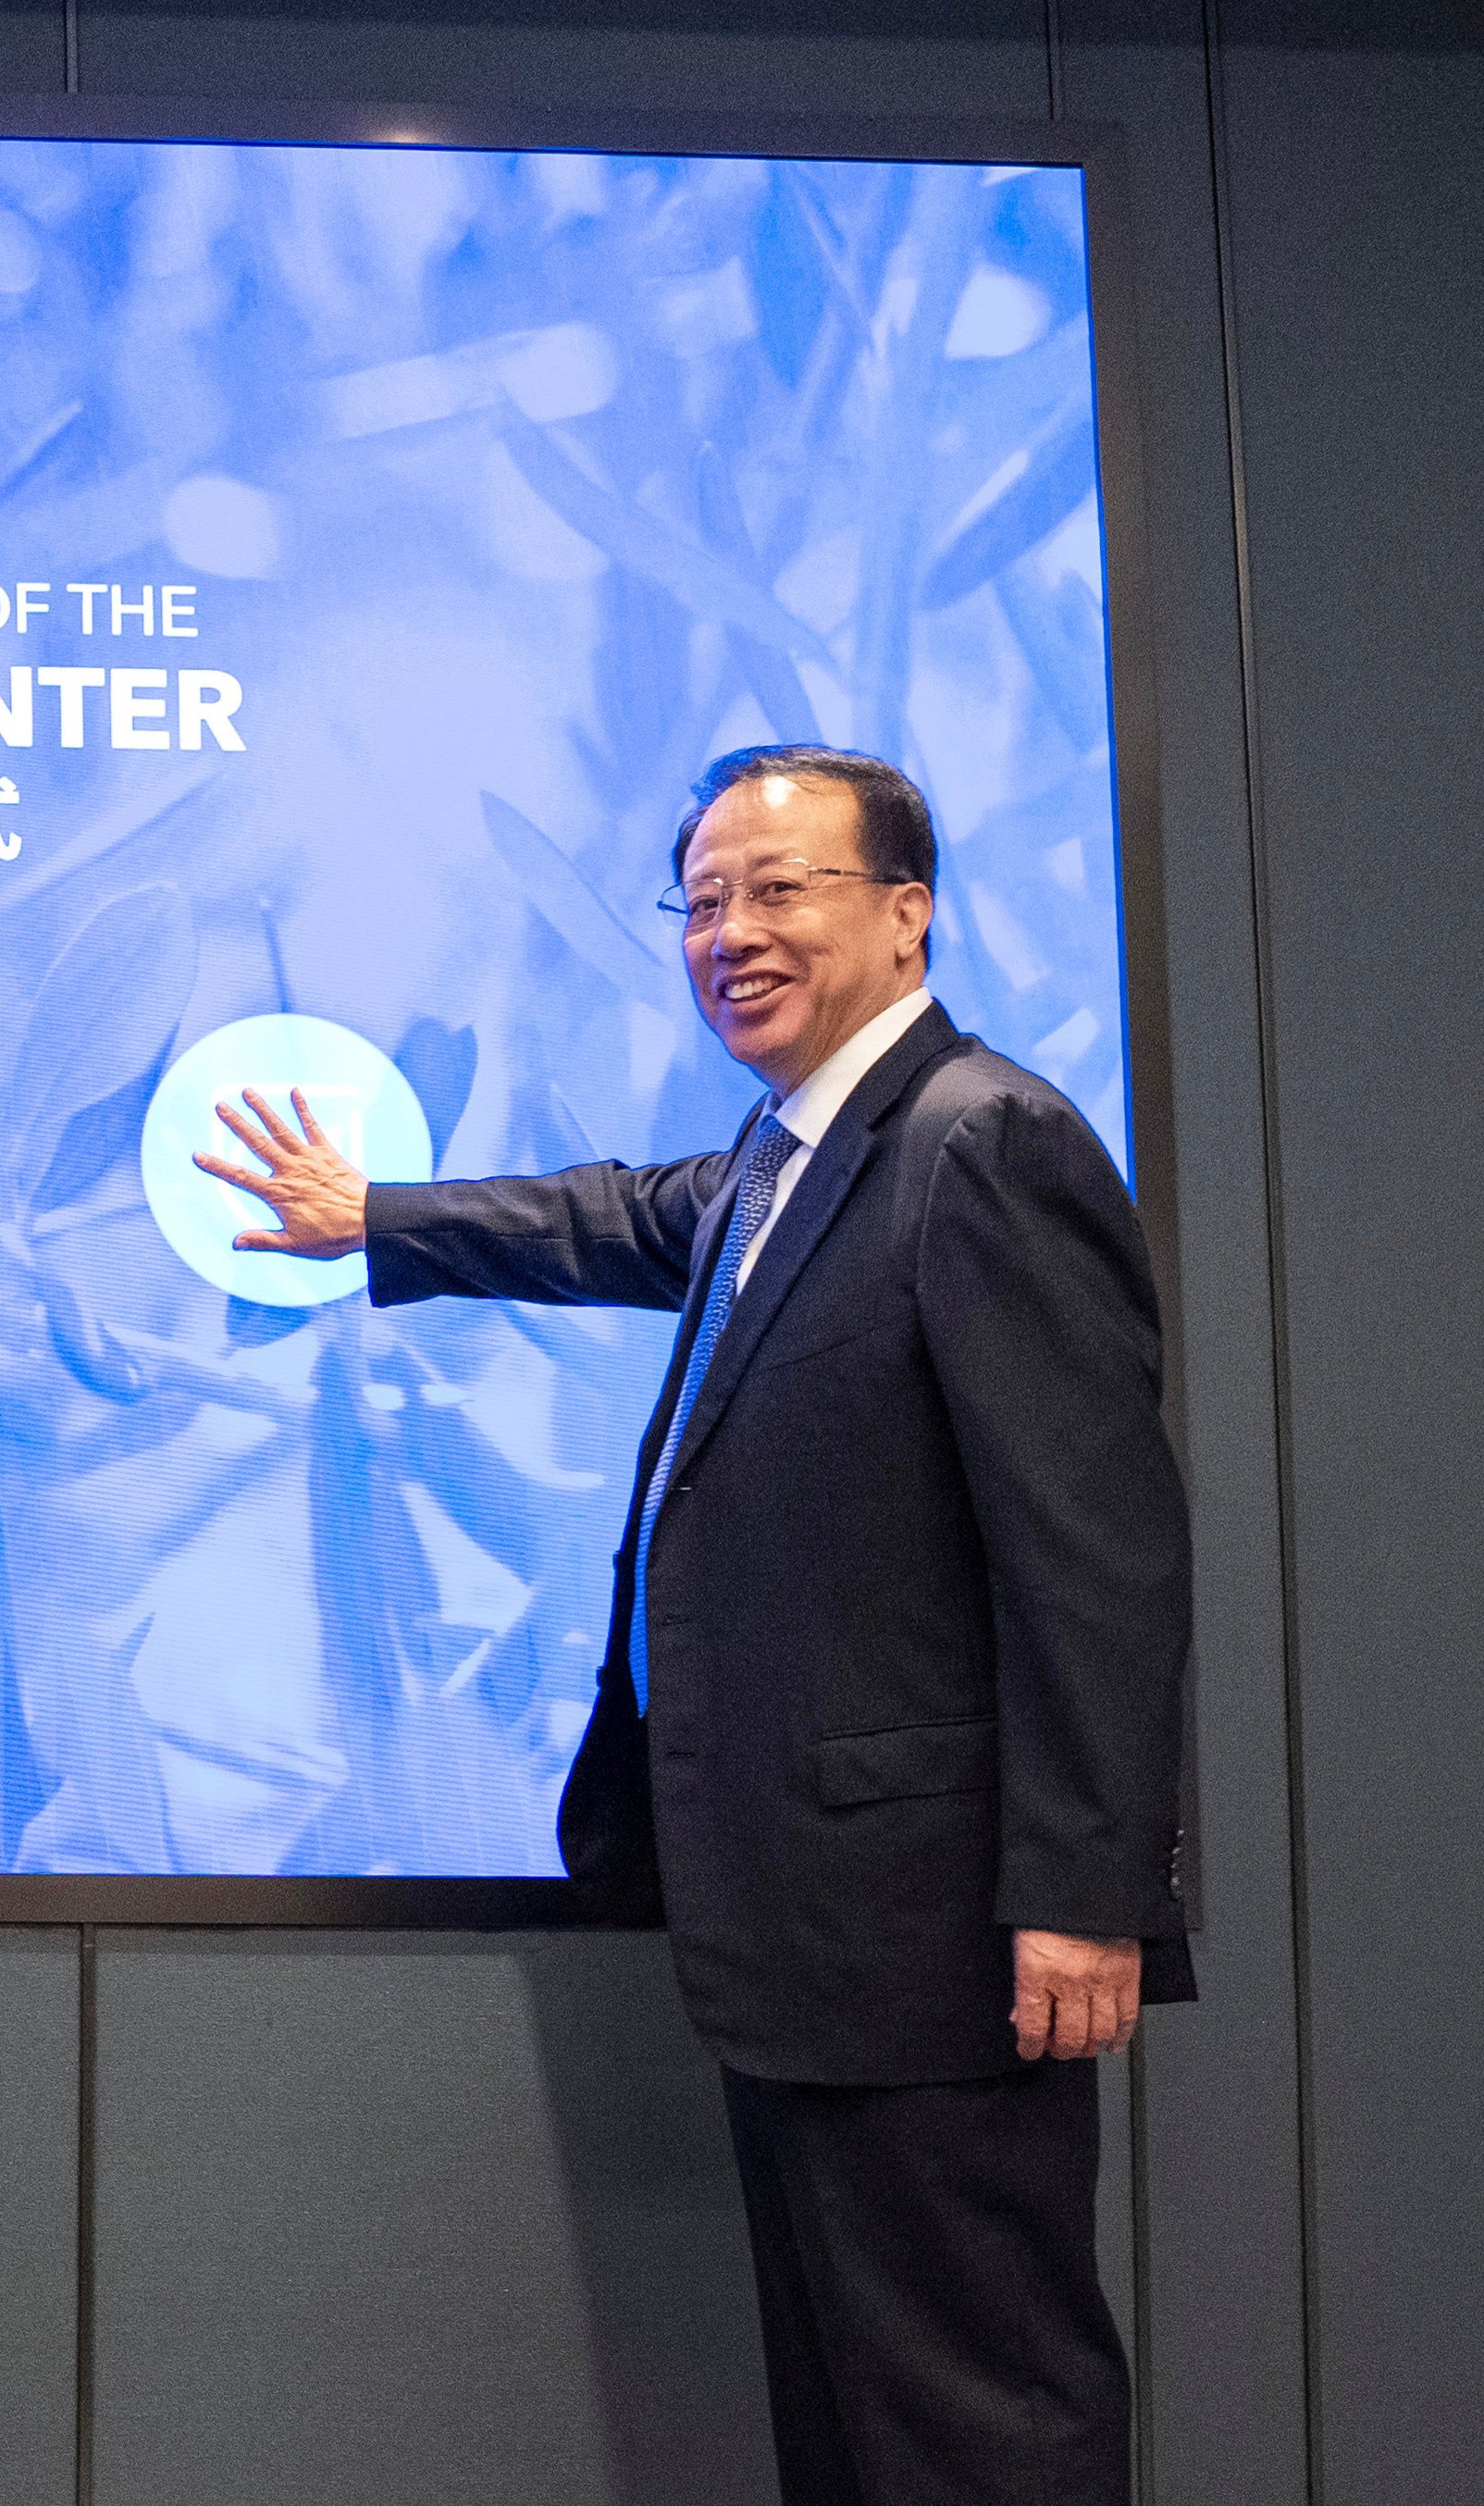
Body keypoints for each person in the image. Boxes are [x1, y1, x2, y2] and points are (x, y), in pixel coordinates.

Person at [202, 745, 1191, 2506]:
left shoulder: (987, 1144)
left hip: (940, 1940)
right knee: (853, 2415)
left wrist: (1084, 1893)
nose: (733, 930)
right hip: (822, 1934)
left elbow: (1096, 1560)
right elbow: (625, 1216)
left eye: (781, 888)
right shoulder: (793, 1153)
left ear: (908, 916)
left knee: (980, 2419)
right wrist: (374, 1219)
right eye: (707, 897)